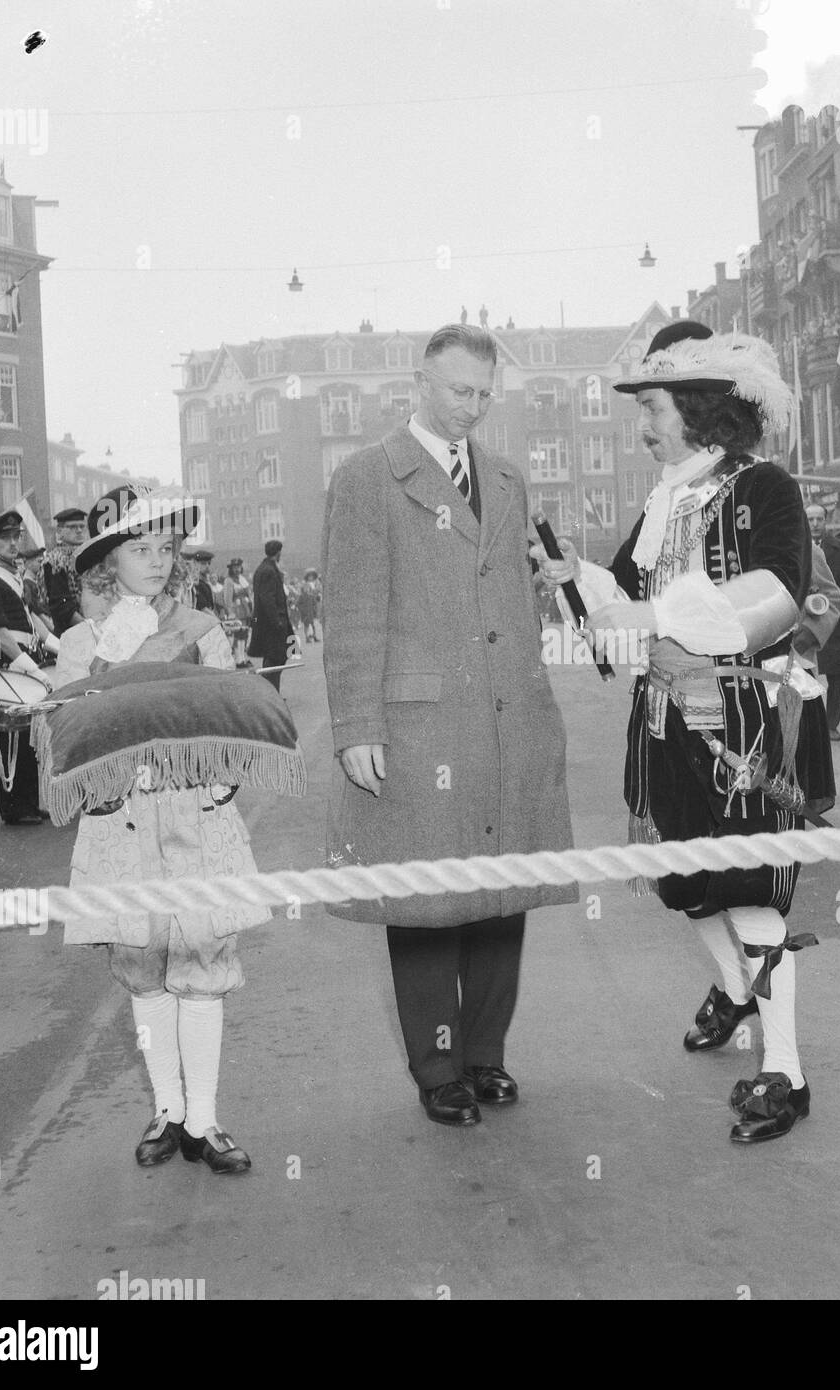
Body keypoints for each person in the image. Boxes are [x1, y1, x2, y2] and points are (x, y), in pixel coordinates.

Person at [536, 321, 836, 1144]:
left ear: (701, 408)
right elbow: (626, 587)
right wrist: (582, 580)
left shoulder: (764, 486)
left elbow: (776, 593)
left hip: (742, 718)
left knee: (751, 895)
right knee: (686, 881)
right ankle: (737, 989)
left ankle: (784, 1069)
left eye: (656, 406)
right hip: (664, 718)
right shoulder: (667, 493)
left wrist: (652, 612)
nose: (643, 425)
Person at [321, 322, 576, 1128]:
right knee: (428, 895)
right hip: (419, 720)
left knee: (503, 888)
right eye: (460, 392)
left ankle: (485, 1053)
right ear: (421, 385)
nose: (473, 408)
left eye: (484, 395)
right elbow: (352, 612)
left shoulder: (504, 477)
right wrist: (357, 724)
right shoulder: (367, 477)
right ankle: (437, 1068)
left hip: (508, 712)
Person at [52, 486, 267, 1174]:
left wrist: (220, 770)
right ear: (106, 563)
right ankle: (167, 1110)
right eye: (138, 549)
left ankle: (204, 1117)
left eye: (164, 548)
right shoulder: (82, 639)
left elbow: (234, 721)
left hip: (195, 820)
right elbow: (60, 737)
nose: (155, 560)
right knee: (143, 968)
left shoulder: (201, 628)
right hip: (122, 824)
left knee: (201, 962)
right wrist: (98, 672)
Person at [0, 510, 60, 825]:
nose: (13, 543)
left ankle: (28, 802)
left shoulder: (12, 576)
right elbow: (0, 634)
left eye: (16, 537)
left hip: (27, 655)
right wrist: (32, 670)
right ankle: (13, 807)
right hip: (11, 661)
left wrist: (62, 649)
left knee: (29, 736)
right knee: (11, 736)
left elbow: (32, 622)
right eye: (6, 538)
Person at [805, 504, 840, 741]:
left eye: (819, 519)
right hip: (807, 621)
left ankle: (831, 724)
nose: (815, 523)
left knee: (837, 675)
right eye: (810, 519)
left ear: (826, 521)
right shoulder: (795, 548)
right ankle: (811, 724)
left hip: (836, 621)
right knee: (807, 674)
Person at [248, 539, 292, 691]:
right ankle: (272, 693)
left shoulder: (264, 568)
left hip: (268, 624)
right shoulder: (269, 571)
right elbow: (268, 599)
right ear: (278, 552)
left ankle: (273, 693)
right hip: (272, 625)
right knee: (274, 660)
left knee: (274, 659)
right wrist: (278, 622)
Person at [42, 508, 88, 635]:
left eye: (81, 526)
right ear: (59, 531)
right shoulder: (55, 561)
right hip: (70, 632)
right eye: (72, 527)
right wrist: (89, 629)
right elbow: (62, 606)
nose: (79, 530)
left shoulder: (88, 556)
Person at [222, 558, 253, 667]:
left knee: (244, 634)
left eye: (239, 567)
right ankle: (238, 659)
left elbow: (249, 595)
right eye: (235, 568)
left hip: (245, 611)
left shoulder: (242, 580)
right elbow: (227, 599)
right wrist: (230, 612)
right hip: (236, 611)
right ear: (231, 569)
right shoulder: (228, 581)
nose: (237, 570)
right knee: (237, 635)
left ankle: (243, 658)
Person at [297, 568, 322, 642]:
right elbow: (299, 601)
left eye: (312, 576)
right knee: (306, 624)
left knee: (313, 623)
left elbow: (315, 594)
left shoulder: (315, 584)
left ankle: (314, 636)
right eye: (309, 576)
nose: (310, 577)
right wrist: (302, 609)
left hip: (312, 607)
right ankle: (307, 637)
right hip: (306, 609)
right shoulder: (304, 584)